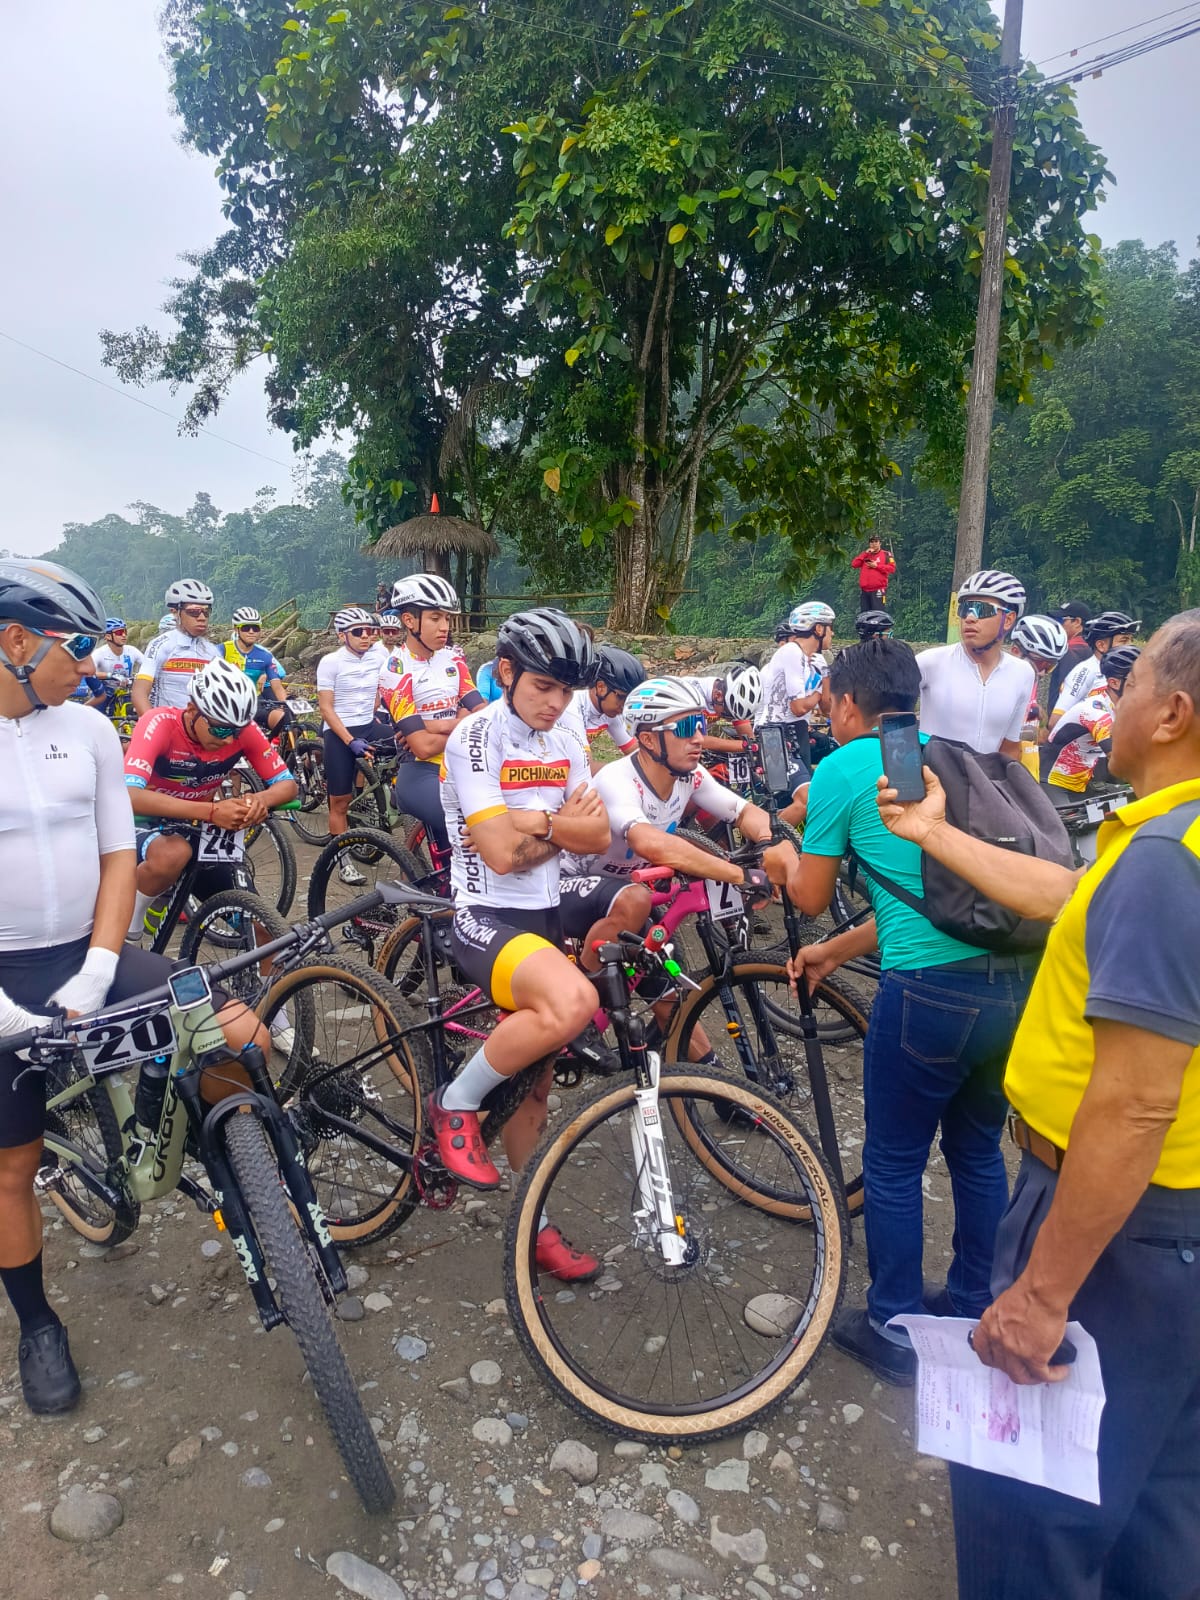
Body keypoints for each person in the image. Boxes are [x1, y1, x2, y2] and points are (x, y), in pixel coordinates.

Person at [875, 613, 1200, 1597]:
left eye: (1128, 683)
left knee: (1032, 1523)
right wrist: (934, 832)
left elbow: (1135, 1104)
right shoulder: (1165, 843)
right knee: (1159, 1513)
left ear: (1173, 713)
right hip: (1172, 1237)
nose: (1108, 698)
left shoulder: (1167, 862)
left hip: (1114, 1232)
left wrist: (1044, 1293)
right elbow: (1068, 893)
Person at [0, 561, 267, 1417]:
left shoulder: (87, 728)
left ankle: (256, 1191)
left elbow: (121, 856)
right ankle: (38, 1325)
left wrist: (101, 962)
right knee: (13, 1167)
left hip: (93, 948)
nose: (90, 665)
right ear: (15, 642)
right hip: (4, 976)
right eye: (74, 648)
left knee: (241, 1035)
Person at [762, 637, 1038, 1385]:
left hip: (928, 995)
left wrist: (784, 855)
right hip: (1013, 986)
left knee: (892, 1161)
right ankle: (975, 1300)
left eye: (829, 703)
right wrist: (837, 952)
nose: (827, 715)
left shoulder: (843, 767)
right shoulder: (948, 757)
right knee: (978, 1150)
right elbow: (928, 901)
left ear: (850, 703)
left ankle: (893, 1324)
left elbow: (809, 897)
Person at [433, 608, 610, 1277]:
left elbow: (598, 835)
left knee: (534, 1090)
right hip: (484, 913)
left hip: (545, 914)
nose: (556, 702)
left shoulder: (566, 735)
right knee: (573, 1003)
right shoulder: (476, 737)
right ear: (506, 672)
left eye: (566, 690)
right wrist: (558, 822)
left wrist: (536, 822)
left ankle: (533, 1224)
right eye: (543, 686)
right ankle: (454, 1102)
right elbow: (501, 857)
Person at [123, 658, 299, 941]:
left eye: (236, 731)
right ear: (192, 710)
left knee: (263, 932)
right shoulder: (159, 723)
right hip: (142, 819)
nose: (229, 740)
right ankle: (128, 925)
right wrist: (212, 811)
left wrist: (257, 801)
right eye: (220, 729)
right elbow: (129, 795)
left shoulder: (241, 730)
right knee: (173, 853)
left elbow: (287, 785)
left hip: (195, 823)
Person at [382, 575, 483, 857]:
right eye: (435, 618)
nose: (445, 627)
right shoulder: (396, 668)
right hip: (420, 771)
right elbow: (423, 747)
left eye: (447, 618)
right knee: (472, 827)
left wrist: (434, 725)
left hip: (460, 761)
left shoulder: (454, 658)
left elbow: (483, 714)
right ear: (409, 621)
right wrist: (462, 722)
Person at [916, 570, 1034, 758]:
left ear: (1008, 619)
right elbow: (888, 725)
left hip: (985, 776)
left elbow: (1010, 747)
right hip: (931, 775)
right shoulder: (929, 662)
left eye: (982, 609)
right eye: (965, 609)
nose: (969, 618)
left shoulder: (1023, 673)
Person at [315, 606, 391, 883]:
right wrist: (350, 740)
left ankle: (387, 795)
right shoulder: (331, 662)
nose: (366, 636)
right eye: (358, 632)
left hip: (368, 724)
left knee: (409, 745)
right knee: (339, 802)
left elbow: (384, 690)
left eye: (370, 631)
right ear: (341, 635)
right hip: (340, 732)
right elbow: (326, 708)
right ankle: (343, 861)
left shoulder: (379, 657)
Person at [1043, 645, 1139, 800]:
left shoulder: (1120, 708)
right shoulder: (1095, 711)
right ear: (1114, 683)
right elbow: (1118, 759)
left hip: (1083, 784)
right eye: (1136, 680)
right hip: (1054, 783)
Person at [757, 601, 836, 775]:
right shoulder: (792, 652)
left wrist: (826, 675)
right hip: (776, 731)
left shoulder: (814, 660)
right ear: (818, 629)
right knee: (796, 789)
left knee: (806, 785)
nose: (833, 633)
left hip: (797, 729)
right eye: (830, 627)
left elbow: (826, 709)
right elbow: (798, 708)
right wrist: (818, 693)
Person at [132, 580, 222, 714]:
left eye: (206, 612)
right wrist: (153, 722)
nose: (202, 617)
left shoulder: (212, 651)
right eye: (194, 612)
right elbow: (139, 693)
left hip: (201, 723)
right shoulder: (161, 645)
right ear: (175, 612)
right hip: (169, 721)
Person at [1049, 610, 1140, 730]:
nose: (1130, 645)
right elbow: (1055, 722)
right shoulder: (1085, 671)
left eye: (1131, 640)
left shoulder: (1122, 671)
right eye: (1124, 640)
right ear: (1101, 645)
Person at [559, 644, 643, 771]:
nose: (625, 706)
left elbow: (638, 755)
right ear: (601, 687)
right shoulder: (572, 709)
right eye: (622, 697)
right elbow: (585, 768)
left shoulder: (610, 709)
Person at [1008, 614, 1069, 776]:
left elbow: (1030, 737)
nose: (1043, 673)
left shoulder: (1030, 681)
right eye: (1041, 663)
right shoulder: (1001, 689)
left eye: (1050, 666)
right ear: (1015, 652)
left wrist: (1038, 715)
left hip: (1029, 777)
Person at [223, 606, 290, 736]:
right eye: (246, 628)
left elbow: (277, 687)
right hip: (227, 704)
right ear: (236, 629)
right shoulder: (222, 650)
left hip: (254, 703)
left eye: (256, 628)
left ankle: (287, 748)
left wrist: (287, 704)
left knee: (286, 719)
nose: (251, 631)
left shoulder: (265, 655)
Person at [1047, 600, 1092, 709]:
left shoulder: (1072, 650)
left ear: (1077, 622)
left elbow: (1067, 691)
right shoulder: (1089, 647)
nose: (1056, 625)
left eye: (1060, 620)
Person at [851, 533, 896, 612]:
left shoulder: (886, 554)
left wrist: (877, 566)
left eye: (876, 541)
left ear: (880, 543)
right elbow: (854, 564)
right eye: (871, 542)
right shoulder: (865, 555)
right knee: (865, 614)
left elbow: (892, 569)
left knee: (877, 614)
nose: (874, 544)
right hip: (865, 591)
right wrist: (865, 553)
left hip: (878, 590)